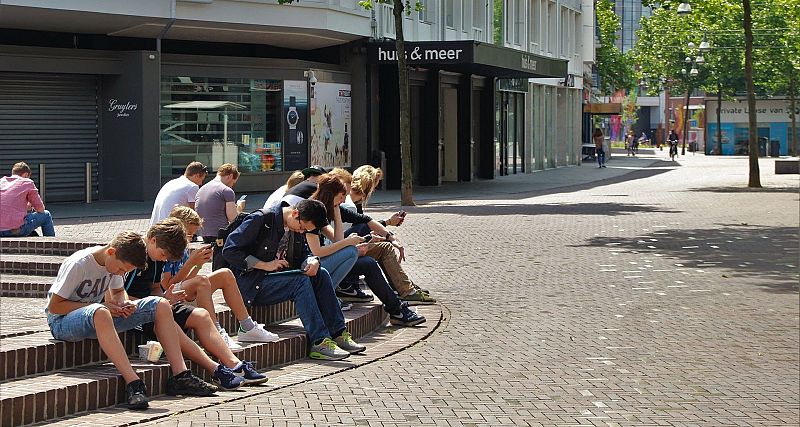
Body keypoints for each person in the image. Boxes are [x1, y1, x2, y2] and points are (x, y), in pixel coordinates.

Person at [46, 230, 216, 410]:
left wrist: (123, 304)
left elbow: (118, 292)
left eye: (125, 271)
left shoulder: (114, 262)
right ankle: (133, 383)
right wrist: (101, 307)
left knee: (161, 304)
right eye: (120, 269)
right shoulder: (79, 264)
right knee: (101, 311)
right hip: (62, 322)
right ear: (111, 252)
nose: (120, 273)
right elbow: (54, 307)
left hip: (98, 316)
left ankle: (180, 376)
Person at [125, 218, 268, 388]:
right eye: (164, 255)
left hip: (156, 305)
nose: (164, 260)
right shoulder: (135, 256)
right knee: (169, 322)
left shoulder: (156, 258)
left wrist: (164, 297)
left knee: (201, 315)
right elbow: (123, 299)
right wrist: (158, 302)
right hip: (135, 313)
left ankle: (235, 365)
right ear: (153, 240)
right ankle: (216, 371)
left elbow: (155, 287)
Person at [222, 199, 365, 361]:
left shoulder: (295, 227)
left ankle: (338, 334)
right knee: (299, 282)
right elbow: (229, 250)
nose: (302, 232)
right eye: (302, 227)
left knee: (321, 273)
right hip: (251, 285)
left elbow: (304, 254)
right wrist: (264, 265)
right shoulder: (261, 218)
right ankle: (319, 342)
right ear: (295, 213)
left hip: (273, 279)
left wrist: (312, 261)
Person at [309, 175, 425, 327]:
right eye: (342, 196)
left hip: (322, 262)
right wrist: (350, 244)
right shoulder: (313, 210)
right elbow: (318, 251)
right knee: (352, 251)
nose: (344, 201)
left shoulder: (329, 208)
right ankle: (331, 293)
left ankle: (397, 310)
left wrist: (338, 216)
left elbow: (352, 230)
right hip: (311, 266)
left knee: (368, 263)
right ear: (331, 194)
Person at [164, 206, 280, 349]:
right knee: (201, 281)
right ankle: (215, 333)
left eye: (192, 235)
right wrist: (191, 263)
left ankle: (247, 327)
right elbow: (167, 285)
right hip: (169, 296)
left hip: (182, 291)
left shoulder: (183, 248)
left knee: (225, 273)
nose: (190, 239)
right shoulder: (166, 248)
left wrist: (198, 264)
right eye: (188, 234)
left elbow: (186, 280)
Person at [335, 166, 436, 305]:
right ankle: (404, 292)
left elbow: (362, 226)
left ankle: (404, 289)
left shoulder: (347, 206)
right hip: (339, 253)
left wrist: (382, 234)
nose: (344, 197)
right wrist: (384, 231)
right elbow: (354, 231)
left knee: (382, 246)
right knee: (383, 249)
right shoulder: (348, 206)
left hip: (342, 248)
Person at [0, 162, 55, 237]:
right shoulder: (27, 182)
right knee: (46, 215)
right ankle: (52, 244)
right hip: (14, 230)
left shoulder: (2, 182)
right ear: (26, 174)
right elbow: (40, 209)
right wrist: (31, 205)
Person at [195, 163, 245, 243]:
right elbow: (233, 219)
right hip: (220, 234)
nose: (232, 186)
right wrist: (239, 208)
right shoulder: (226, 190)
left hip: (203, 234)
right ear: (230, 176)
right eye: (233, 183)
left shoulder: (201, 189)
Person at [149, 162, 208, 226]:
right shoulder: (192, 186)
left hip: (155, 226)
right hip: (169, 229)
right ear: (196, 175)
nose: (201, 184)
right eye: (202, 180)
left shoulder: (172, 182)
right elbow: (195, 214)